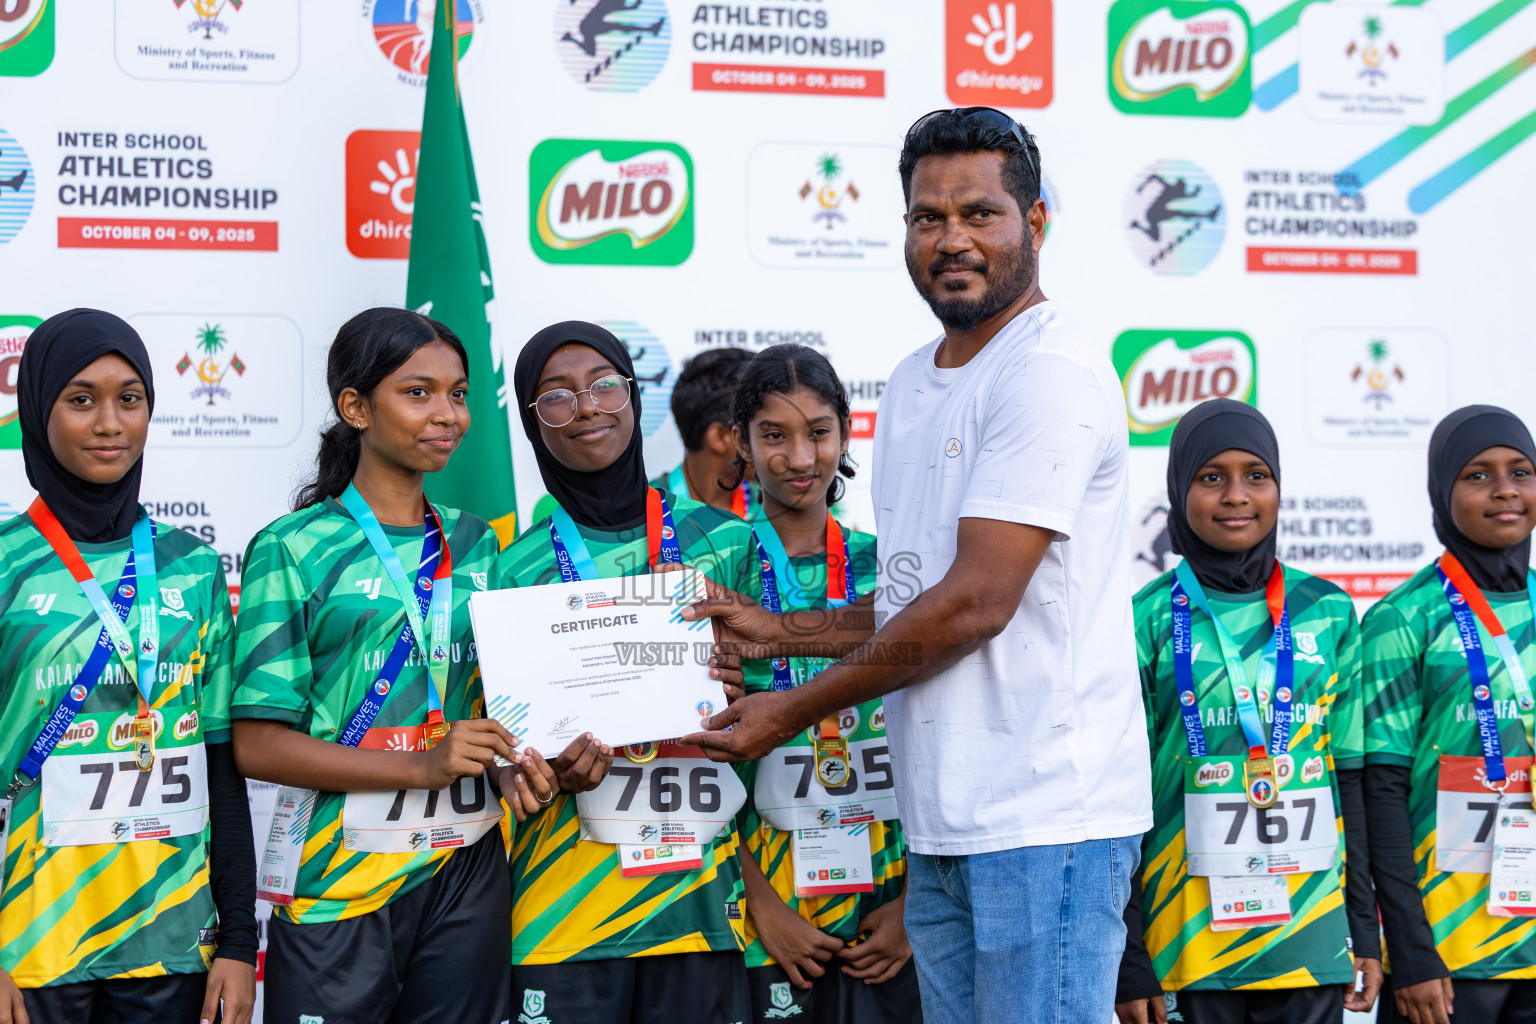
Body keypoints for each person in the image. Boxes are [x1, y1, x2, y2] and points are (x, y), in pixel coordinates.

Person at [680, 106, 1153, 1023]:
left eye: (981, 214)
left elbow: (975, 603)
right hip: (942, 820)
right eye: (928, 217)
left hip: (1045, 820)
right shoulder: (910, 381)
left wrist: (791, 708)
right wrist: (783, 631)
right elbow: (912, 604)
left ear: (1037, 224)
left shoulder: (1048, 369)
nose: (952, 240)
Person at [228, 307, 554, 1024]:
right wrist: (421, 766)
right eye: (418, 392)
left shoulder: (480, 544)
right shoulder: (293, 546)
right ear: (355, 407)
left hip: (465, 866)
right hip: (339, 879)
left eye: (460, 394)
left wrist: (513, 764)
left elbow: (500, 711)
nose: (449, 414)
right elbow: (256, 743)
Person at [498, 321, 761, 1024]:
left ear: (634, 395)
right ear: (531, 422)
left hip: (700, 905)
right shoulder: (511, 568)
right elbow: (503, 755)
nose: (587, 408)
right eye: (556, 397)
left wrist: (741, 690)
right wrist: (542, 767)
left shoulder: (725, 541)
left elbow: (776, 713)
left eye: (604, 385)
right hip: (565, 913)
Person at [0, 309, 256, 1024]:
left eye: (130, 398)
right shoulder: (6, 564)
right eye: (81, 400)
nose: (110, 422)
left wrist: (239, 940)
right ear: (37, 409)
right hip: (31, 943)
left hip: (172, 944)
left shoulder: (195, 567)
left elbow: (221, 767)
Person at [1114, 400, 1382, 1024]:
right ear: (1180, 492)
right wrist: (1130, 954)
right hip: (1185, 944)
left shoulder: (1329, 612)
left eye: (1256, 476)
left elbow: (1352, 782)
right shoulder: (1145, 618)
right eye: (1212, 478)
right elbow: (1114, 798)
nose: (1237, 495)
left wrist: (1364, 934)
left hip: (1309, 939)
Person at [728, 344, 919, 1022]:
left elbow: (942, 738)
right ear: (741, 444)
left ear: (845, 429)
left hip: (894, 913)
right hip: (770, 924)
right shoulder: (716, 575)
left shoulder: (894, 570)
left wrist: (915, 905)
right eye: (773, 435)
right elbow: (689, 760)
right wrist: (759, 905)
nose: (801, 458)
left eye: (819, 431)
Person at [1363, 405, 1536, 1024]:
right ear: (1443, 490)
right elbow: (1379, 793)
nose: (1506, 490)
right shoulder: (1403, 618)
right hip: (1451, 954)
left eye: (1521, 471)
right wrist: (1411, 951)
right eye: (1477, 475)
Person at [652, 346, 758, 515]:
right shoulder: (640, 510)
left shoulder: (771, 507)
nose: (777, 447)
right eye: (767, 432)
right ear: (720, 437)